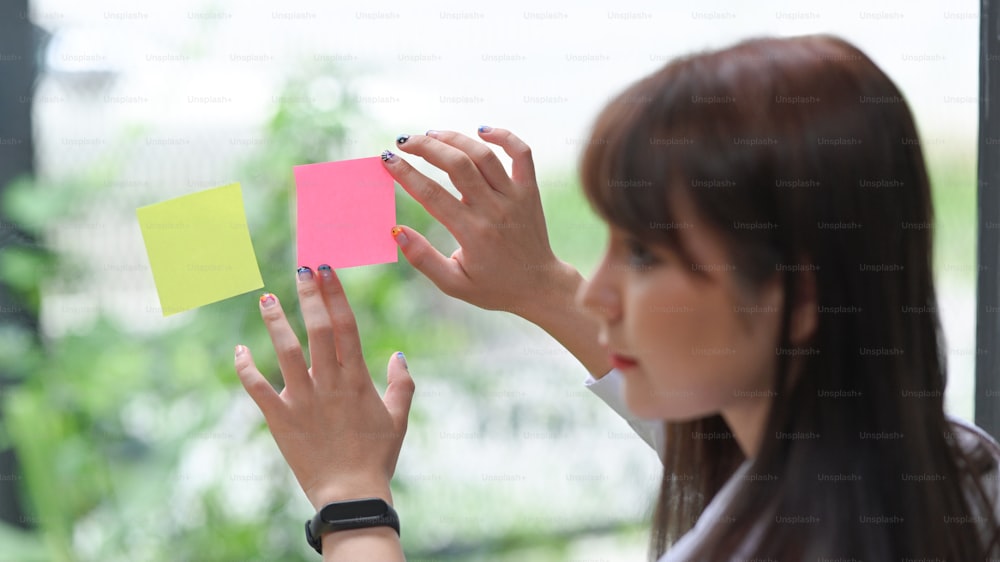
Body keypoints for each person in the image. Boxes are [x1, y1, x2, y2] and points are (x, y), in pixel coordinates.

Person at [233, 35, 1000, 560]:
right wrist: (542, 288)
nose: (597, 291)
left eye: (642, 252)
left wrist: (351, 501)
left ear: (796, 293)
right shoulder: (959, 473)